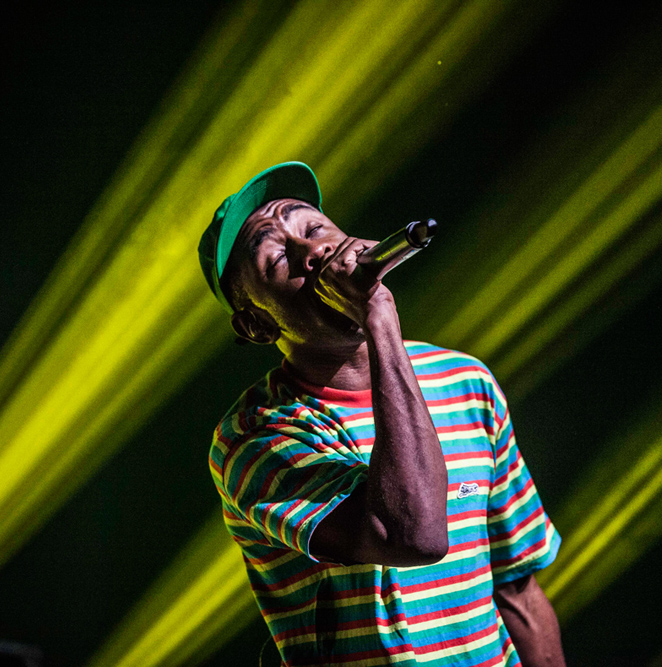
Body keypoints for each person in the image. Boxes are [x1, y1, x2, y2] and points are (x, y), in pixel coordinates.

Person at [199, 161, 566, 666]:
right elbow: (412, 535)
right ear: (257, 325)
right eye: (279, 258)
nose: (313, 251)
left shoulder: (465, 382)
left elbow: (518, 589)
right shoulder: (253, 438)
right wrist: (380, 322)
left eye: (314, 228)